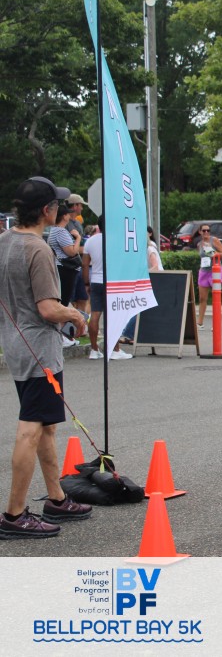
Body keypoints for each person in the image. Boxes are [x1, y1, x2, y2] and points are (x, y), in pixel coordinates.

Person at [0, 176, 92, 538]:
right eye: (58, 205)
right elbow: (48, 309)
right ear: (46, 210)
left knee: (46, 426)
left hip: (16, 344)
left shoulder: (5, 240)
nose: (62, 210)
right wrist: (76, 315)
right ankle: (14, 514)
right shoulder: (38, 249)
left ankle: (57, 498)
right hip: (39, 349)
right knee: (30, 428)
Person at [82, 216, 132, 360]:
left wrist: (86, 283)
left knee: (95, 315)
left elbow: (85, 264)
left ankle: (94, 349)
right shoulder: (117, 240)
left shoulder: (90, 241)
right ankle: (115, 349)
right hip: (113, 282)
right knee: (113, 316)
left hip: (96, 280)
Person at [47, 205, 83, 316]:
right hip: (66, 269)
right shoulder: (61, 232)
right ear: (64, 216)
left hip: (60, 267)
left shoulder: (54, 230)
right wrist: (78, 238)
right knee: (64, 301)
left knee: (62, 298)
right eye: (68, 213)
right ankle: (62, 324)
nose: (70, 215)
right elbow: (72, 252)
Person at [195, 223, 222, 329]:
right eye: (204, 230)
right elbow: (202, 257)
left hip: (215, 271)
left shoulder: (214, 240)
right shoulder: (199, 244)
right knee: (202, 298)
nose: (206, 232)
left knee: (216, 297)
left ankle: (216, 323)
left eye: (208, 230)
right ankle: (200, 323)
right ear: (200, 232)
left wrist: (211, 251)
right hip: (204, 271)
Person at [64, 193, 90, 312]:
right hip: (68, 267)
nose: (82, 208)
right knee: (69, 301)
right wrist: (86, 250)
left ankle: (81, 322)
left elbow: (82, 244)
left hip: (78, 266)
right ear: (74, 206)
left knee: (83, 298)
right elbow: (68, 248)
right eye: (80, 205)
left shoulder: (78, 224)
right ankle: (70, 323)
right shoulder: (64, 224)